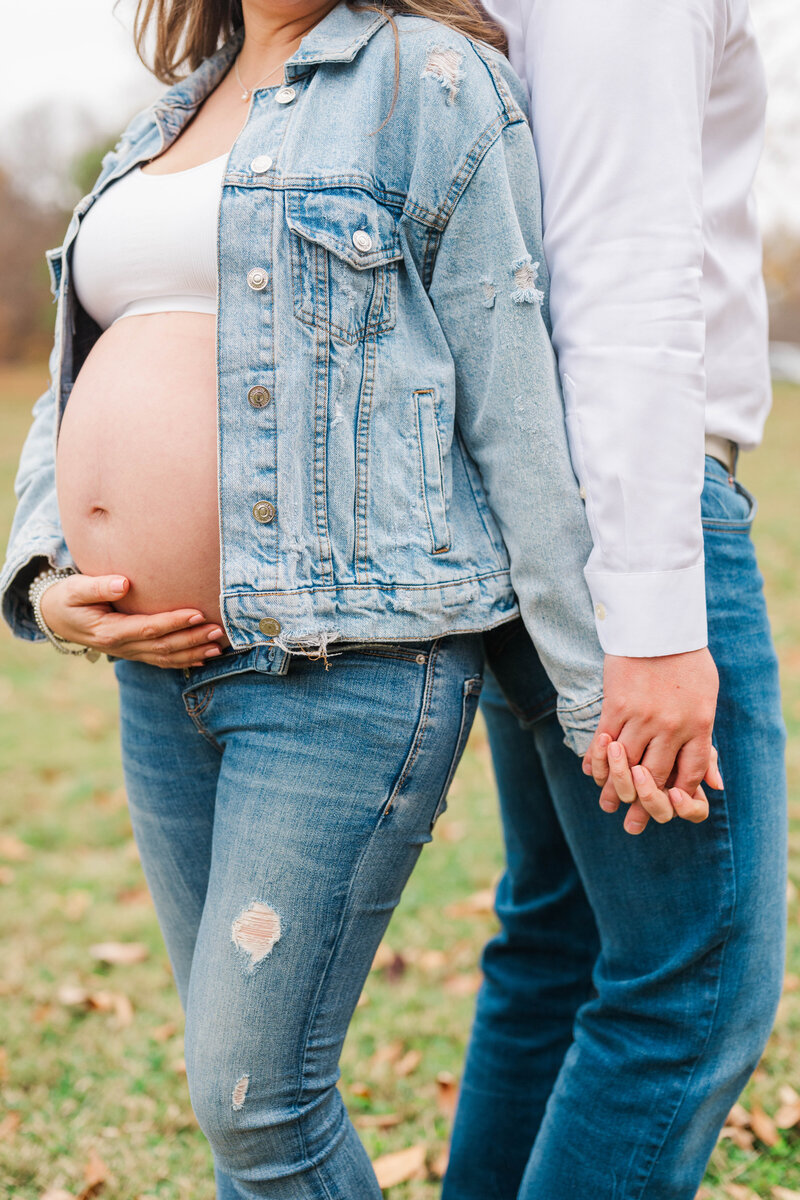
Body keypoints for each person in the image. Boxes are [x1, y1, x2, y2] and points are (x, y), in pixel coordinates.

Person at [0, 0, 633, 1194]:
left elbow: (511, 397)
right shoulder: (172, 110)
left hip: (344, 668)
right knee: (236, 1098)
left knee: (255, 1105)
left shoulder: (433, 83)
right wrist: (43, 574)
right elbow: (70, 379)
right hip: (158, 675)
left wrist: (590, 690)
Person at [443, 2, 789, 1198]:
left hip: (529, 487)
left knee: (560, 937)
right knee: (689, 985)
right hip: (624, 504)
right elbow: (623, 273)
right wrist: (649, 624)